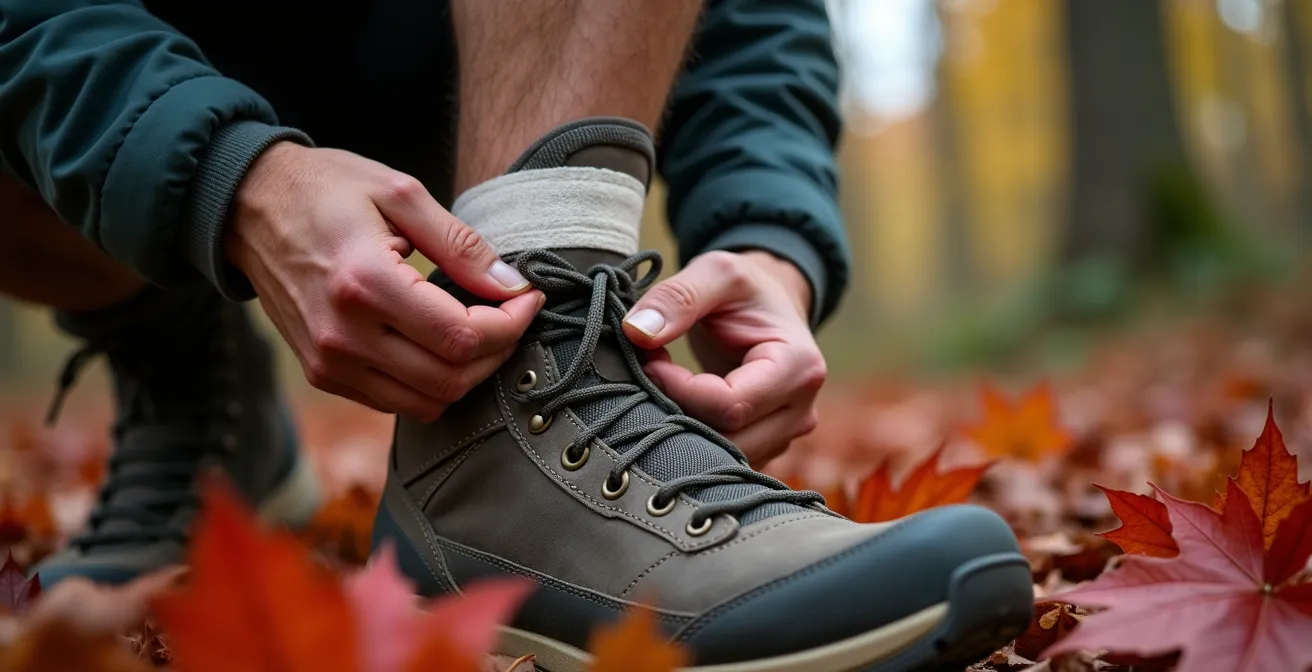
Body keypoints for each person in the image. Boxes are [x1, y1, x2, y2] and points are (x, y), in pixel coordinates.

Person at [0, 0, 1032, 668]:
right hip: (109, 67)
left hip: (476, 54)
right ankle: (182, 366)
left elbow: (756, 16)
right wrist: (224, 175)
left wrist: (768, 236)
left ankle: (511, 435)